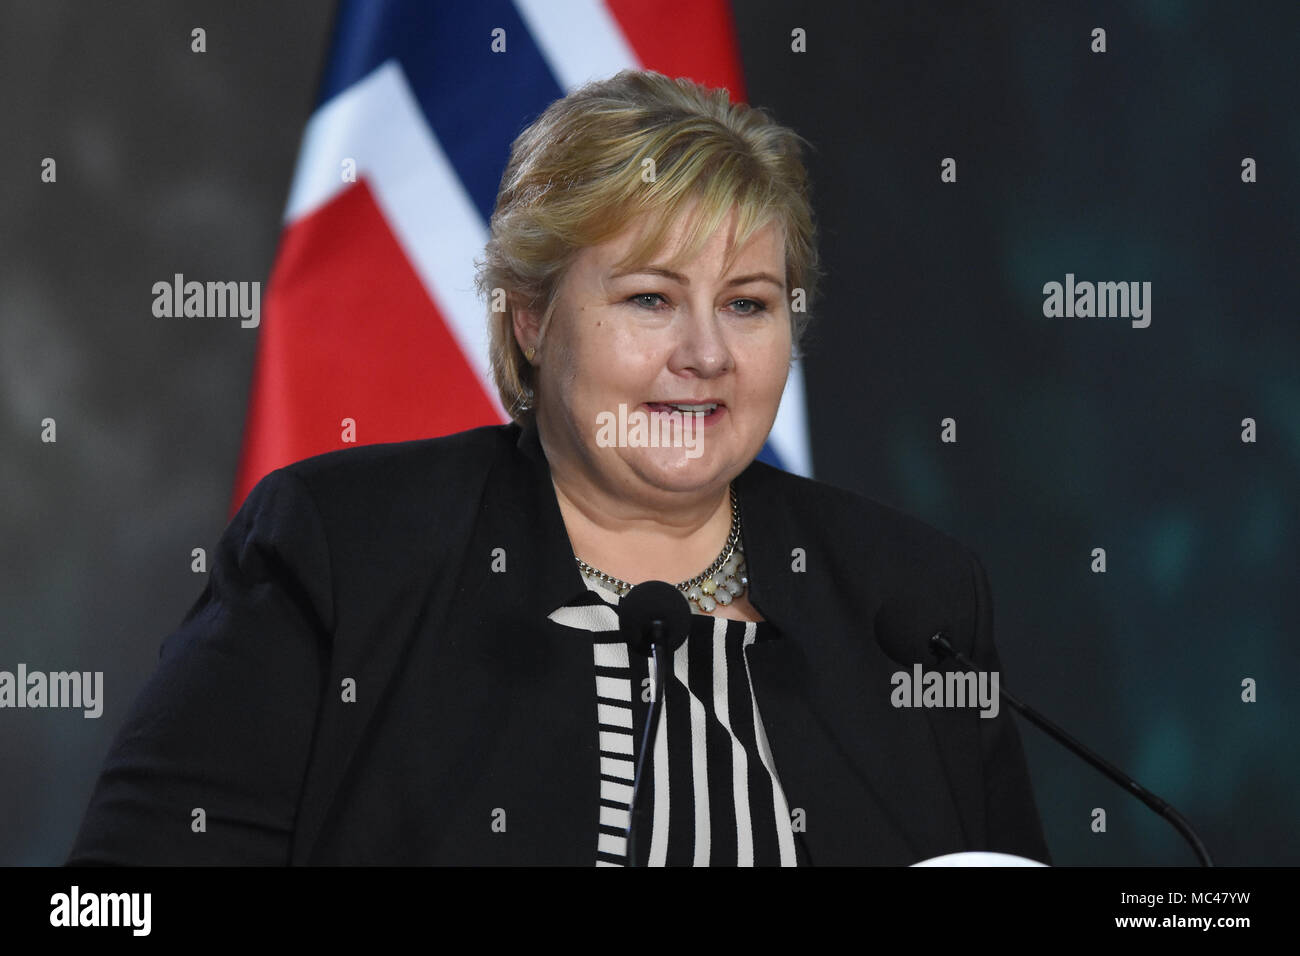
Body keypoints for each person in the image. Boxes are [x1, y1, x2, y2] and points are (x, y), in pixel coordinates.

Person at [67, 69, 1050, 866]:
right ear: (531, 320)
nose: (706, 353)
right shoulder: (343, 555)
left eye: (748, 303)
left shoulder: (913, 601)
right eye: (650, 299)